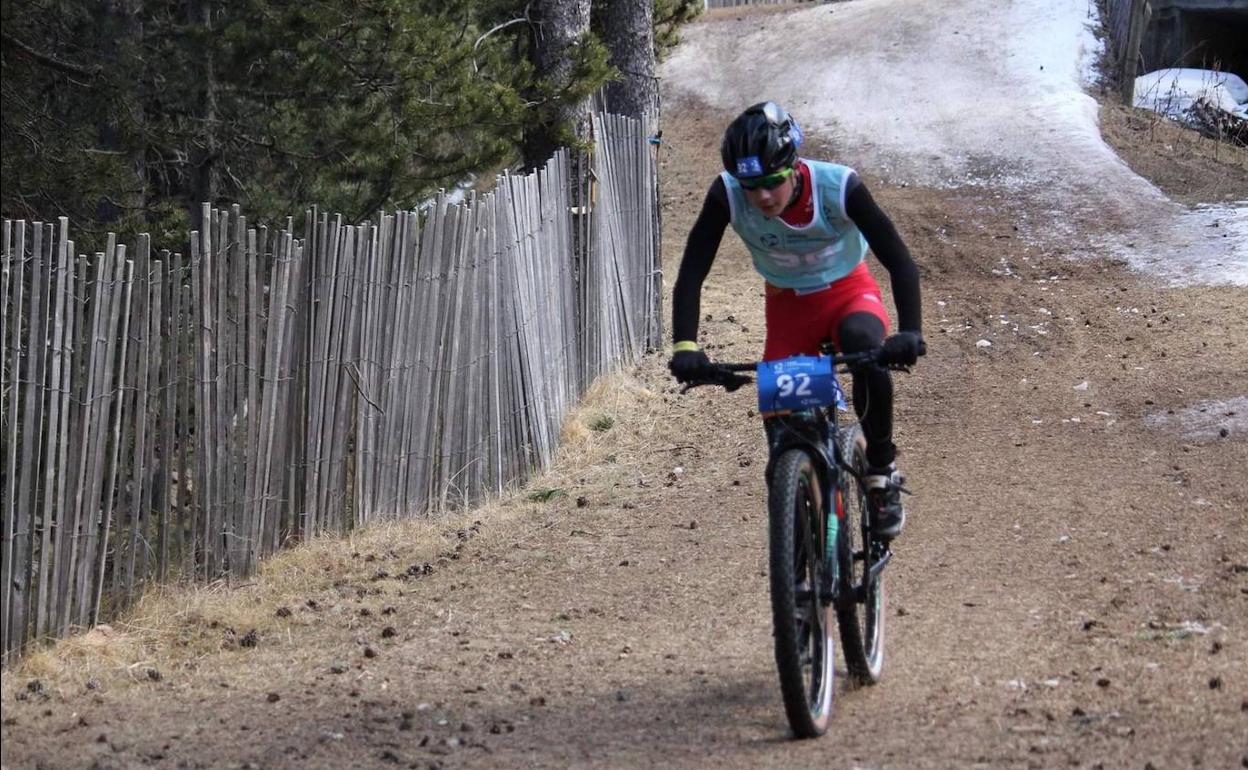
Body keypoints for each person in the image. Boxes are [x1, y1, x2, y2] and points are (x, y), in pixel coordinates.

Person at [667, 101, 925, 540]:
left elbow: (899, 260)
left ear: (793, 166)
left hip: (848, 293)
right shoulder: (726, 195)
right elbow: (692, 270)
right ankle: (801, 554)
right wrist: (685, 345)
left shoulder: (838, 186)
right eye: (751, 186)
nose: (762, 196)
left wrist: (910, 331)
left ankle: (881, 470)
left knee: (866, 349)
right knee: (786, 443)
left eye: (771, 182)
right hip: (788, 308)